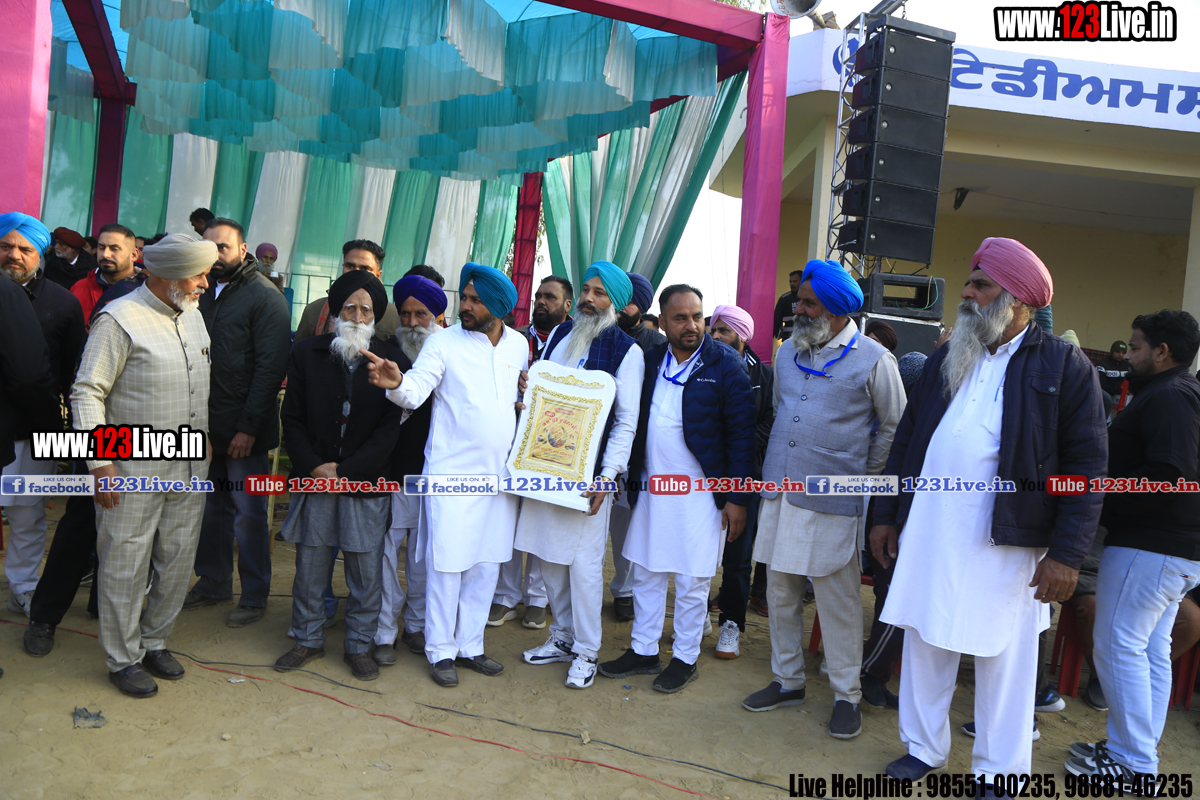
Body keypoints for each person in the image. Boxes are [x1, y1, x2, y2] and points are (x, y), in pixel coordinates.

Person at [872, 237, 1107, 783]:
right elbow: (907, 440)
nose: (967, 293)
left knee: (1006, 657)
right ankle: (923, 748)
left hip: (1008, 539)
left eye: (980, 285)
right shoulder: (949, 356)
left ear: (1017, 300)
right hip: (931, 529)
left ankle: (1000, 771)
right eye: (970, 282)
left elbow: (1088, 466)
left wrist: (1067, 554)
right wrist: (885, 514)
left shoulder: (1063, 364)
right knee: (926, 636)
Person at [743, 261, 904, 740]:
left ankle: (846, 695)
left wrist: (862, 475)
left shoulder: (875, 359)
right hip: (780, 491)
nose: (798, 309)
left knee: (838, 600)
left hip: (835, 499)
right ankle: (787, 680)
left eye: (809, 303)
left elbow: (894, 425)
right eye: (799, 301)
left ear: (835, 311)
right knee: (780, 590)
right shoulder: (788, 352)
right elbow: (781, 411)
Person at [365, 263, 526, 688]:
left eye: (475, 300)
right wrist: (395, 383)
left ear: (499, 307)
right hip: (450, 477)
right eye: (465, 298)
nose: (465, 306)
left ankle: (471, 646)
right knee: (446, 566)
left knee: (486, 565)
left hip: (499, 479)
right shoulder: (444, 343)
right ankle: (440, 651)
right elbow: (416, 390)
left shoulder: (519, 346)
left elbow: (515, 399)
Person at [72, 232, 216, 698]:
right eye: (197, 275)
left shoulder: (192, 314)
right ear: (168, 275)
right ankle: (123, 658)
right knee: (125, 563)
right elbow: (87, 392)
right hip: (131, 470)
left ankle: (154, 641)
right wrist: (100, 464)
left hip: (188, 468)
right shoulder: (119, 319)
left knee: (177, 559)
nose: (205, 283)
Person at [598, 284, 755, 693]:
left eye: (698, 317)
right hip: (652, 486)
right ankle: (643, 649)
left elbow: (742, 438)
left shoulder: (725, 365)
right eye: (681, 318)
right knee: (647, 571)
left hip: (701, 493)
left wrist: (737, 498)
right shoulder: (650, 359)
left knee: (691, 580)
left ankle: (685, 657)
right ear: (663, 321)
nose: (692, 326)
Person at [1066, 310, 1200, 783]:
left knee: (1120, 647)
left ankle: (1134, 761)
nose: (1128, 355)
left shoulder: (1171, 396)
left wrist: (1102, 498)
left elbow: (1169, 476)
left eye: (1137, 347)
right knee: (1148, 652)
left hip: (1151, 548)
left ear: (1162, 352)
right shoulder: (1176, 393)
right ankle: (1135, 753)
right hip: (1167, 551)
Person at [517, 262, 643, 689]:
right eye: (586, 290)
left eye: (599, 293)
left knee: (584, 566)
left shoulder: (628, 351)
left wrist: (608, 475)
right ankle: (563, 637)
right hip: (544, 465)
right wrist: (526, 392)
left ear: (616, 303)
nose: (588, 298)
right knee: (547, 555)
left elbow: (626, 422)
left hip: (590, 477)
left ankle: (587, 650)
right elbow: (542, 394)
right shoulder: (559, 334)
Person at [273, 271, 404, 682]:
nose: (357, 316)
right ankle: (307, 639)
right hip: (315, 480)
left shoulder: (391, 359)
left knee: (365, 573)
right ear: (335, 311)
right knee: (310, 569)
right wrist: (316, 467)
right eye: (349, 307)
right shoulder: (307, 353)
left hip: (365, 484)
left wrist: (346, 472)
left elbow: (390, 430)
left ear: (375, 316)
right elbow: (292, 418)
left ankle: (359, 646)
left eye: (366, 309)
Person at [182, 218, 291, 627]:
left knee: (249, 515)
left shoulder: (265, 297)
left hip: (246, 432)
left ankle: (254, 595)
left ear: (243, 250)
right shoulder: (199, 292)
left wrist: (248, 428)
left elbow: (269, 370)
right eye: (208, 247)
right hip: (206, 428)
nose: (215, 255)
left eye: (223, 247)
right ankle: (213, 582)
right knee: (211, 510)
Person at [372, 274, 444, 667]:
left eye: (421, 314)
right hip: (391, 472)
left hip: (434, 476)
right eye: (406, 314)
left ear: (438, 316)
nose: (413, 322)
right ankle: (385, 630)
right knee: (385, 554)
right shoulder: (386, 354)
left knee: (423, 557)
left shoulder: (451, 353)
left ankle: (416, 625)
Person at [0, 213, 70, 617]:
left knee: (27, 516)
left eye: (24, 248)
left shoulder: (61, 302)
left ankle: (24, 588)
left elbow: (72, 372)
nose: (14, 255)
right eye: (5, 246)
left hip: (33, 433)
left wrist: (57, 433)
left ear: (40, 254)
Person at [708, 304, 775, 660]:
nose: (716, 337)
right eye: (713, 330)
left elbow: (770, 420)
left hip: (746, 476)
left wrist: (740, 447)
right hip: (703, 475)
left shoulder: (764, 376)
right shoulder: (699, 367)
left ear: (743, 336)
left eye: (724, 331)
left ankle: (731, 624)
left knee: (738, 555)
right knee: (700, 550)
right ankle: (695, 616)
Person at [607, 271, 666, 621]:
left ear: (641, 306)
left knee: (628, 524)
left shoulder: (657, 345)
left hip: (638, 448)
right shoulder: (596, 335)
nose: (620, 307)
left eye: (628, 301)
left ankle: (625, 590)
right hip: (596, 445)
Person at [294, 240, 401, 341]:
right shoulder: (314, 310)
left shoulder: (393, 316)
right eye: (350, 266)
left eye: (364, 269)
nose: (355, 273)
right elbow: (299, 351)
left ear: (378, 275)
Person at [70, 224, 141, 325]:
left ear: (134, 255)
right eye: (101, 248)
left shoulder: (148, 290)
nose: (105, 254)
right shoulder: (79, 288)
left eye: (114, 249)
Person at [519, 275, 573, 364]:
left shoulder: (579, 342)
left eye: (549, 297)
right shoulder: (516, 337)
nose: (540, 301)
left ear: (567, 306)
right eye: (538, 296)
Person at [773, 270, 802, 341]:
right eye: (790, 281)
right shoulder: (784, 299)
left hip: (806, 339)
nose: (792, 284)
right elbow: (776, 321)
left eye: (795, 281)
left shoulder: (809, 298)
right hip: (788, 339)